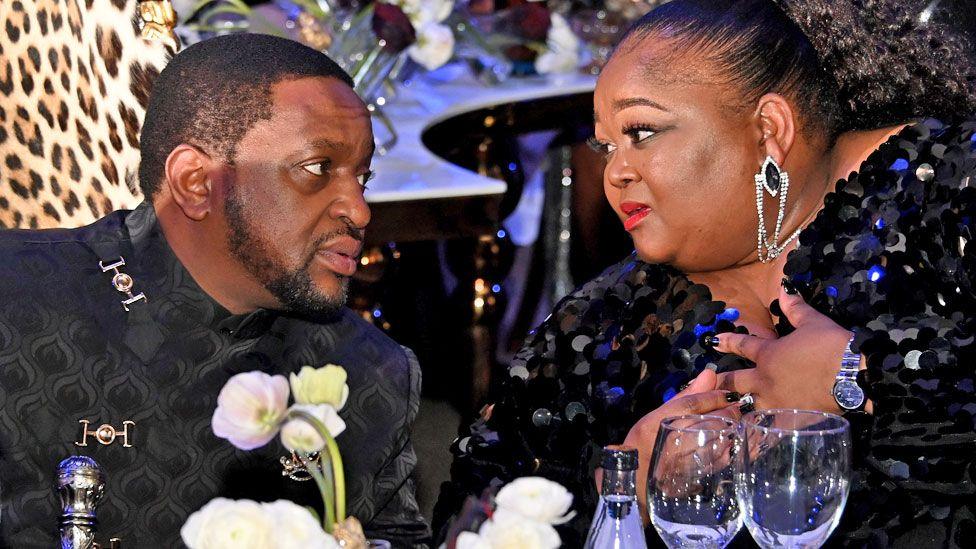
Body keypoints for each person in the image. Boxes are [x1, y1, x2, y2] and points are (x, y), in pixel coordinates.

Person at [434, 0, 976, 547]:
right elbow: (470, 521)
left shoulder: (947, 190)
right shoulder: (602, 324)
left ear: (769, 130)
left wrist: (865, 374)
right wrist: (622, 494)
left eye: (641, 132)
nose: (615, 172)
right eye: (605, 146)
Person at [0, 33, 429, 547]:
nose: (359, 211)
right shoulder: (18, 297)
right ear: (196, 182)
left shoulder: (368, 374)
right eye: (318, 168)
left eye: (363, 177)